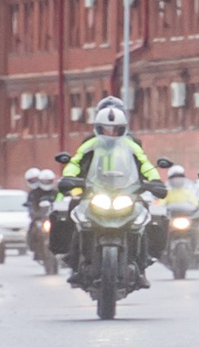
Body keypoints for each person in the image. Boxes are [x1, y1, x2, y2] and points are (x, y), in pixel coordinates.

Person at [60, 99, 161, 270]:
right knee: (74, 210)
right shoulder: (90, 143)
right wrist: (68, 178)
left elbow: (144, 163)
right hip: (94, 190)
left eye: (116, 129)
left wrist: (156, 181)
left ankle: (144, 257)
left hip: (126, 189)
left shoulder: (131, 144)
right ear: (98, 127)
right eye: (105, 129)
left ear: (123, 128)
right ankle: (73, 254)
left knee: (145, 214)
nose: (111, 133)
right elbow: (75, 162)